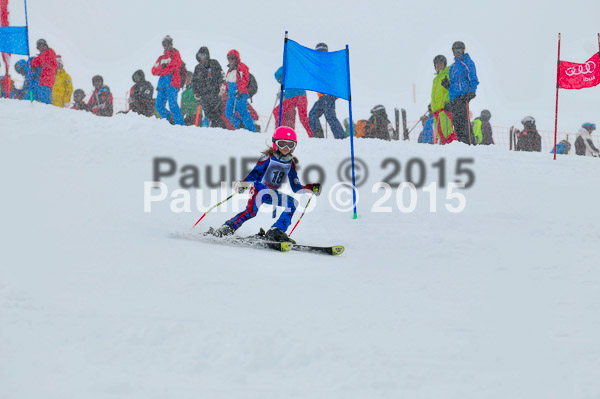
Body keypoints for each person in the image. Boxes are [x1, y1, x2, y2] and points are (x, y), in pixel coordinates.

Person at [210, 126, 322, 242]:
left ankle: (276, 231)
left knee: (292, 203)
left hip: (272, 193)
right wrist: (244, 183)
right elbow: (255, 172)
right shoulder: (268, 158)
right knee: (251, 212)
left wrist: (310, 188)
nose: (286, 148)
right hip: (259, 189)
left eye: (290, 145)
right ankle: (228, 227)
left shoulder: (290, 164)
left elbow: (296, 188)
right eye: (282, 143)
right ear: (275, 144)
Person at [307, 42, 346, 139]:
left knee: (327, 116)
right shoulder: (323, 63)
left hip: (327, 95)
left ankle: (340, 137)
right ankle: (320, 136)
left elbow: (332, 78)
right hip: (325, 95)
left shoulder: (325, 63)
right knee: (314, 115)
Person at [443, 41, 478, 144]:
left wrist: (471, 92)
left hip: (463, 97)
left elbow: (473, 79)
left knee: (464, 124)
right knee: (457, 124)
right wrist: (447, 85)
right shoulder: (452, 67)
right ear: (453, 52)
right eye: (456, 50)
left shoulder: (468, 63)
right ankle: (461, 145)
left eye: (460, 50)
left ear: (463, 50)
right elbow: (453, 85)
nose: (458, 52)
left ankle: (470, 144)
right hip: (453, 99)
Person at [151, 35, 184, 125]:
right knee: (158, 106)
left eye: (167, 44)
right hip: (162, 85)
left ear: (171, 44)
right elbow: (153, 71)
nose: (166, 46)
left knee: (172, 105)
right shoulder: (161, 58)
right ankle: (170, 120)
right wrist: (163, 68)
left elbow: (173, 67)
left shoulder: (176, 54)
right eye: (164, 44)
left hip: (172, 83)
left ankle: (180, 125)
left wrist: (160, 70)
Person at [272, 66, 313, 137]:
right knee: (302, 117)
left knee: (278, 112)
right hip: (299, 95)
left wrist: (281, 79)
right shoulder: (297, 65)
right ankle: (312, 134)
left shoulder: (288, 65)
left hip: (292, 95)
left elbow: (277, 74)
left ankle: (283, 131)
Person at [192, 46, 226, 128]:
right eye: (200, 56)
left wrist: (222, 86)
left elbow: (222, 75)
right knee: (209, 115)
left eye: (203, 55)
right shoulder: (197, 68)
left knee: (217, 115)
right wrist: (196, 92)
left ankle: (219, 130)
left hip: (215, 94)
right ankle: (212, 130)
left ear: (207, 55)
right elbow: (194, 82)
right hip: (204, 97)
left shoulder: (214, 63)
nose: (202, 58)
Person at [224, 49, 256, 132]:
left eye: (232, 58)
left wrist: (240, 91)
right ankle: (239, 126)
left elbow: (245, 79)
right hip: (231, 94)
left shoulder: (242, 67)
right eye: (229, 58)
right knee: (228, 112)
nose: (230, 60)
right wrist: (226, 91)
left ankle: (251, 130)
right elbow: (227, 82)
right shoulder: (230, 69)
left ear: (236, 58)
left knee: (243, 112)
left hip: (240, 94)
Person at [430, 54, 457, 144]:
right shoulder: (435, 79)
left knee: (447, 131)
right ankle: (445, 150)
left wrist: (450, 102)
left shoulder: (448, 74)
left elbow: (452, 89)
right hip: (436, 110)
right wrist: (432, 105)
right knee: (440, 133)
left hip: (444, 108)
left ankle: (454, 147)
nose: (439, 65)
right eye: (437, 64)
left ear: (445, 64)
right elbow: (434, 94)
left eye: (441, 63)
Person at [30, 39, 57, 104]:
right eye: (38, 47)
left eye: (40, 46)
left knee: (45, 102)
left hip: (46, 81)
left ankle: (50, 113)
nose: (39, 49)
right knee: (38, 101)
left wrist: (31, 60)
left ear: (45, 45)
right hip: (45, 80)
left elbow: (36, 61)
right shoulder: (48, 54)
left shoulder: (48, 53)